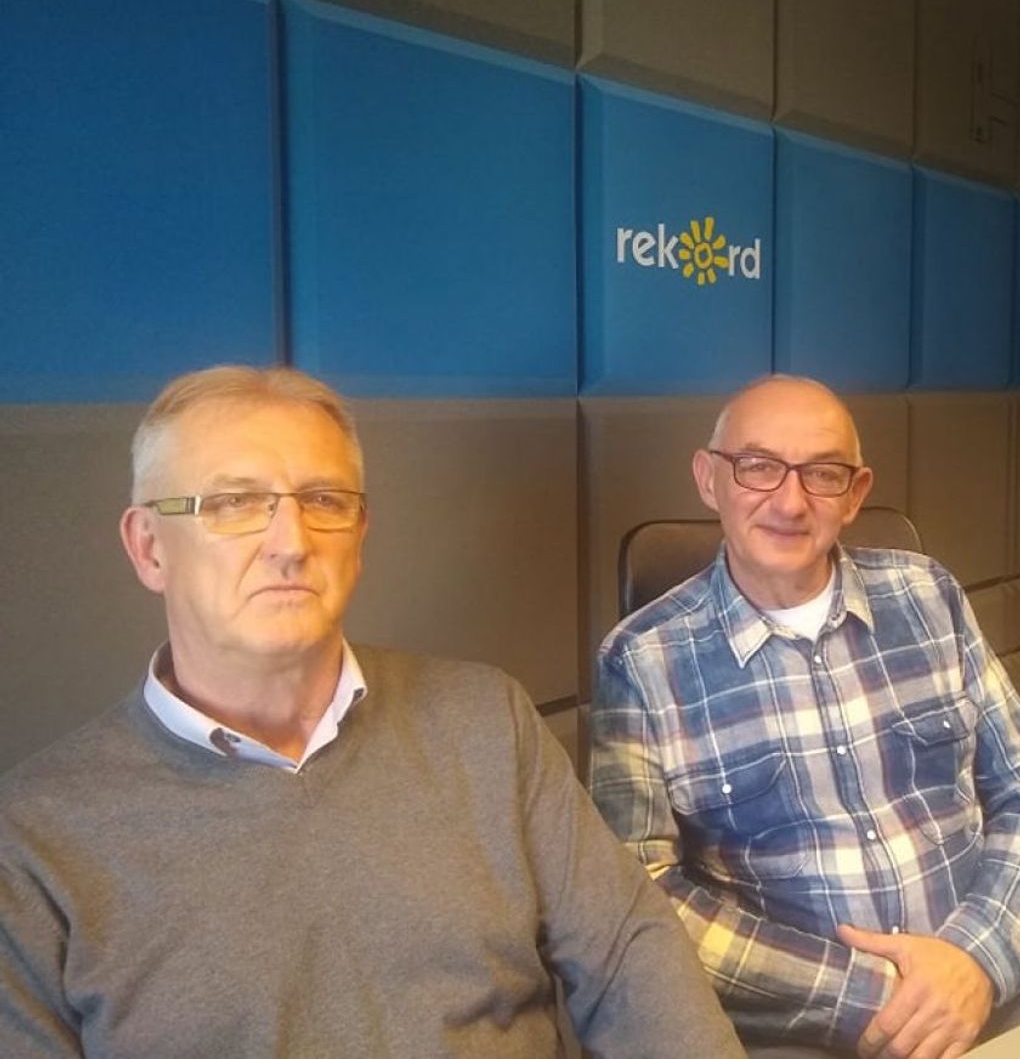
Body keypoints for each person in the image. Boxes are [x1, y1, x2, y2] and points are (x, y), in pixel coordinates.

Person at [0, 365, 743, 1059]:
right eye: (233, 504)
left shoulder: (486, 721)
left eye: (323, 501)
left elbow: (628, 954)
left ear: (359, 535)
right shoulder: (35, 838)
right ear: (149, 548)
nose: (290, 543)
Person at [589, 375, 1020, 1058]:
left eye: (822, 473)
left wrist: (977, 959)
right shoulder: (643, 661)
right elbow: (641, 893)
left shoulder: (928, 595)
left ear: (855, 493)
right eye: (758, 466)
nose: (790, 502)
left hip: (991, 990)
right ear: (708, 479)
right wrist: (872, 996)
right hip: (808, 1029)